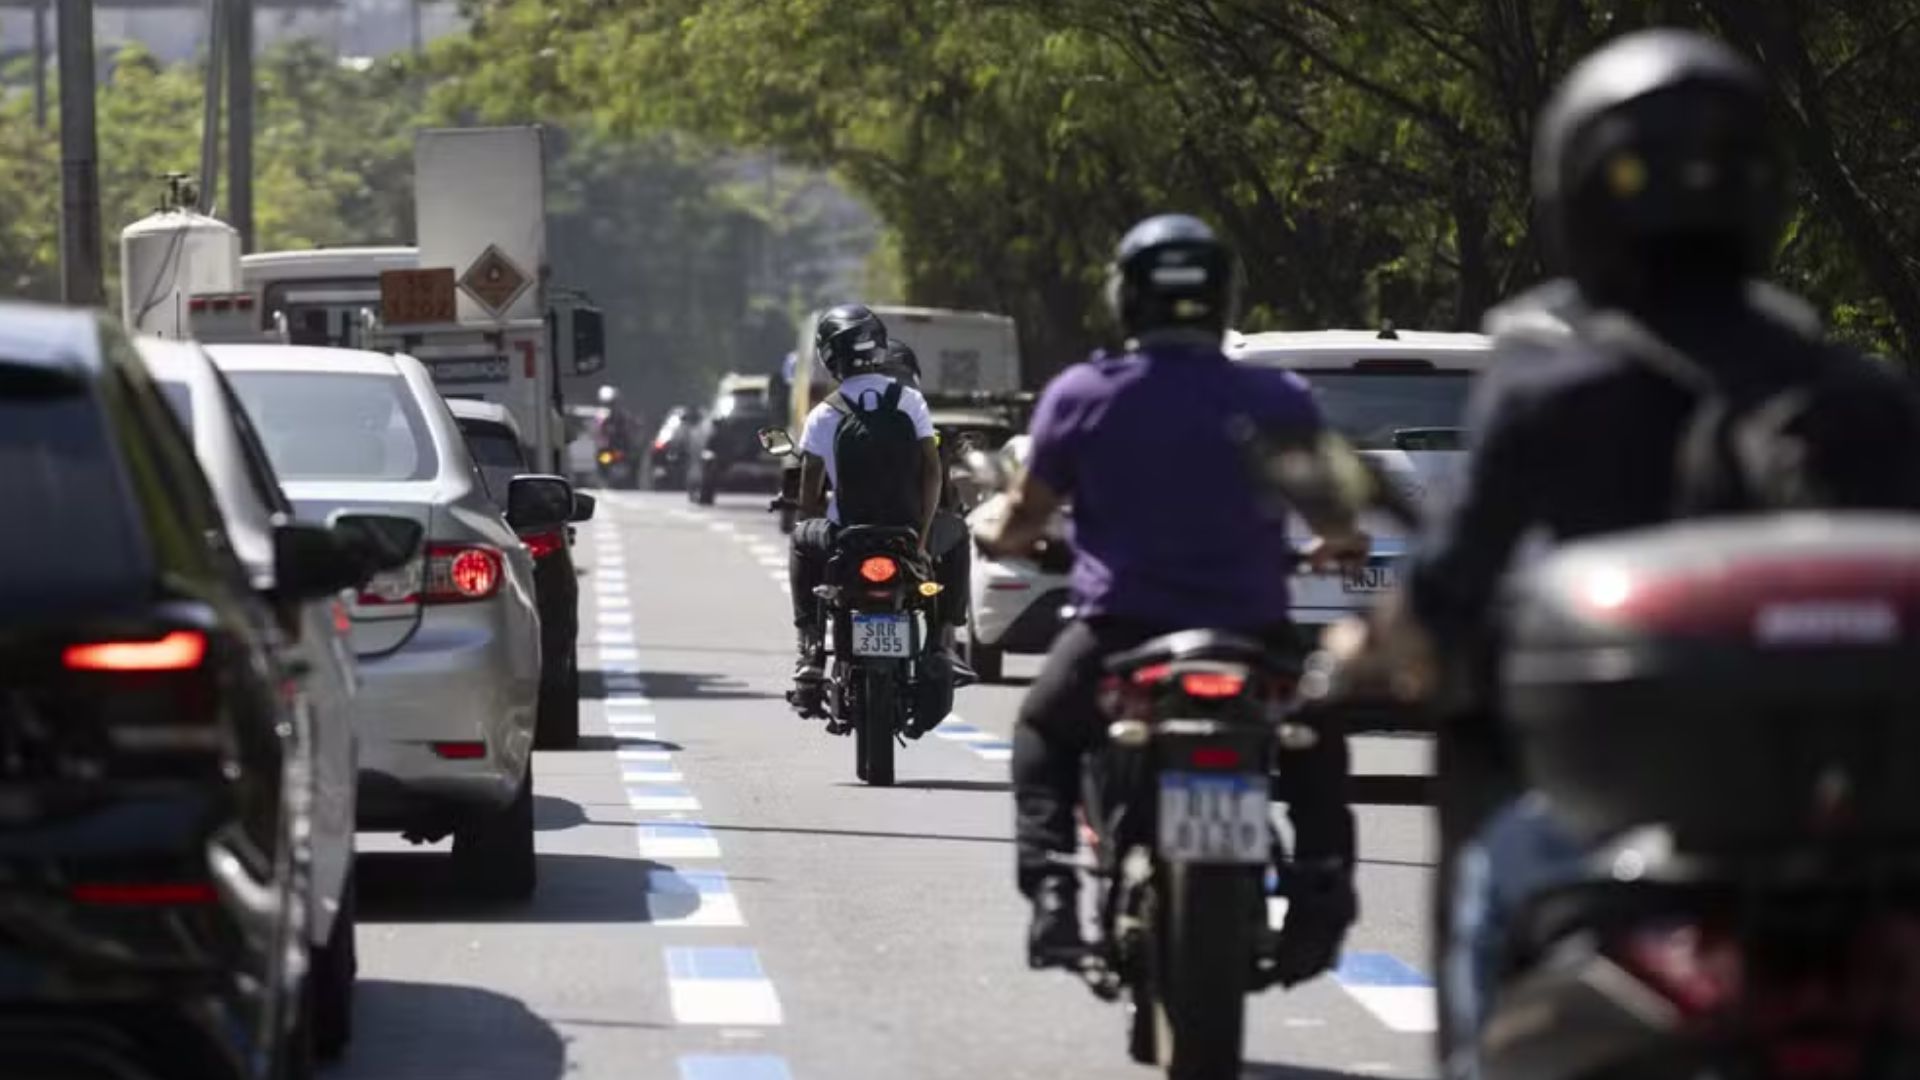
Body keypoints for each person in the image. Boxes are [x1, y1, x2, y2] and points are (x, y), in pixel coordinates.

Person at [1327, 29, 1920, 1066]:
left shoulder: (1546, 387)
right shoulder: (1858, 390)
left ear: (1576, 195)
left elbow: (1452, 591)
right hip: (1860, 828)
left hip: (1617, 808)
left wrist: (1355, 662)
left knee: (1497, 889)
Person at [975, 213, 1369, 978]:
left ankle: (1055, 885)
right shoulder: (1278, 396)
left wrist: (1002, 540)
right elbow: (1333, 516)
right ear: (1224, 299)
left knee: (1045, 731)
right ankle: (1320, 894)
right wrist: (1338, 545)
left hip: (1123, 632)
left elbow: (1025, 514)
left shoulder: (1083, 394)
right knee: (1316, 744)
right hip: (1253, 633)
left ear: (1127, 299)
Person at [788, 305, 967, 720]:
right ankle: (944, 639)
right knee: (958, 534)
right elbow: (931, 473)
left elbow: (809, 493)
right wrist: (920, 539)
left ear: (829, 356)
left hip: (844, 538)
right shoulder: (910, 401)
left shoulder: (823, 414)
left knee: (800, 540)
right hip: (906, 537)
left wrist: (812, 522)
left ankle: (810, 647)